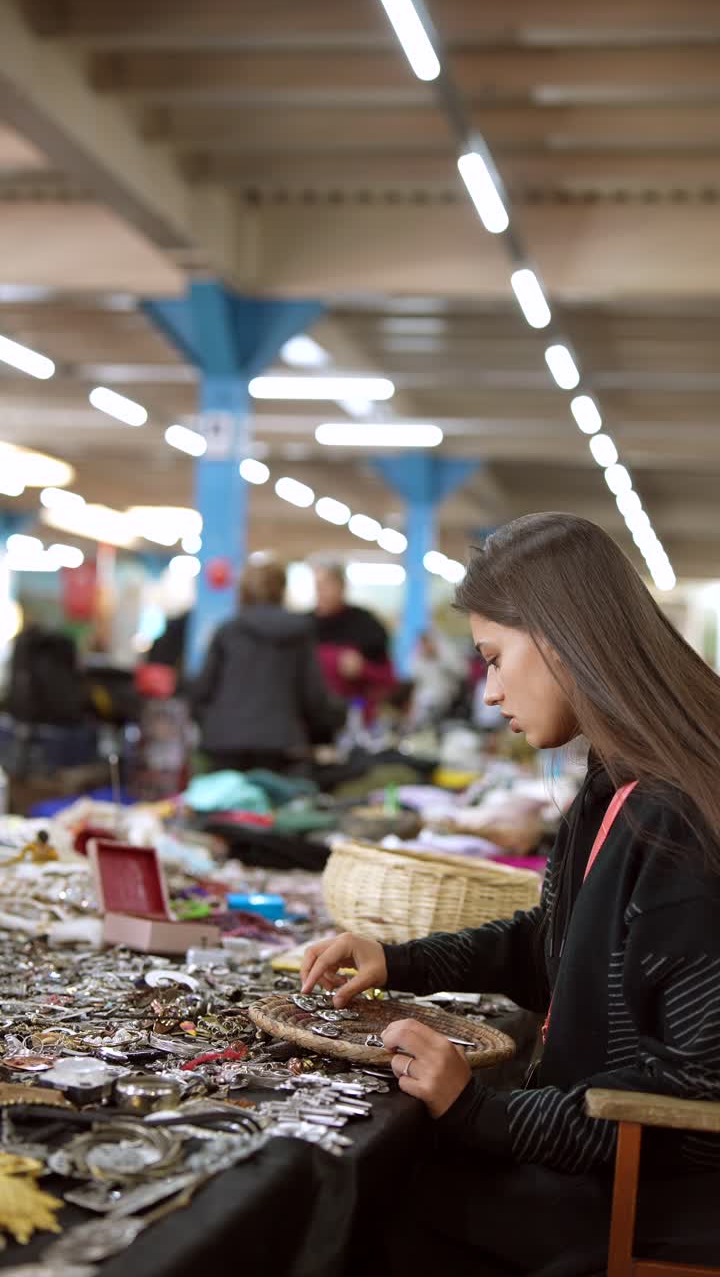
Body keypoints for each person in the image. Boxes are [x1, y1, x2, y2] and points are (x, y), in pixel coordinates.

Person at [301, 513, 720, 1275]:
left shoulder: (673, 822)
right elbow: (553, 946)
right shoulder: (617, 787)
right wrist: (397, 962)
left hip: (645, 1208)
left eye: (495, 659)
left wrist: (481, 1114)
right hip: (607, 1173)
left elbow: (698, 1094)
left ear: (563, 642)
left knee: (357, 1204)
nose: (490, 692)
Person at [191, 560, 345, 773]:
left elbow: (202, 692)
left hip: (224, 743)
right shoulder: (300, 632)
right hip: (281, 744)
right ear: (281, 590)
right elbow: (313, 696)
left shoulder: (228, 631)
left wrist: (215, 724)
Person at [312, 563, 396, 718]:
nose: (321, 592)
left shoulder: (366, 624)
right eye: (318, 585)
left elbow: (388, 676)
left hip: (356, 714)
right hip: (313, 715)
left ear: (342, 586)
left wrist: (363, 668)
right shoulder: (305, 626)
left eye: (327, 585)